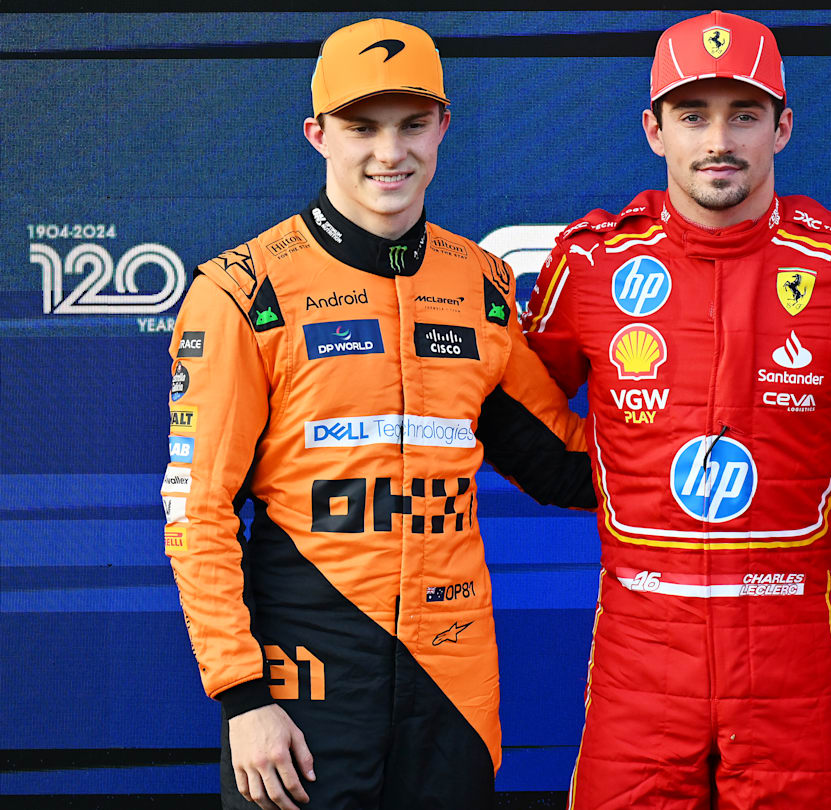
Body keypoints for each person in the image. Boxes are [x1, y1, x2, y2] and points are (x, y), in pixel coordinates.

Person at [162, 18, 593, 810]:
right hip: (304, 682)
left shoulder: (484, 285)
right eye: (362, 128)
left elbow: (565, 467)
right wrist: (242, 698)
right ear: (317, 134)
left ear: (443, 129)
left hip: (454, 685)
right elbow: (198, 511)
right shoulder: (243, 291)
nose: (389, 154)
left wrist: (700, 412)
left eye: (412, 126)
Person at [521, 11, 831, 808]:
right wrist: (612, 484)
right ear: (653, 129)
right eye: (693, 116)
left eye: (744, 115)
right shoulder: (592, 261)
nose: (719, 141)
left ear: (784, 127)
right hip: (640, 647)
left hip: (788, 645)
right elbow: (521, 408)